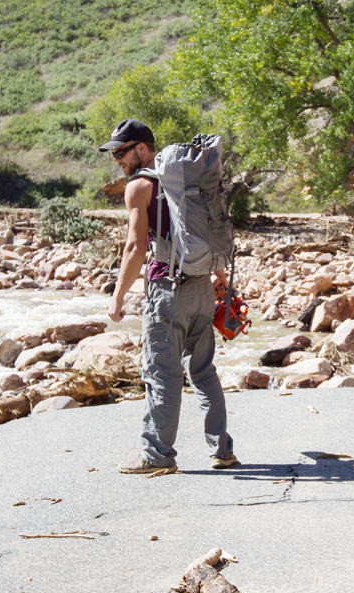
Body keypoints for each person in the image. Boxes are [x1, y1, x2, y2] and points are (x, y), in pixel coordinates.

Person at [100, 118, 237, 474]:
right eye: (114, 153)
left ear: (141, 148)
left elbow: (135, 246)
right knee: (204, 371)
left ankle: (157, 456)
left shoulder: (140, 187)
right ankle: (222, 450)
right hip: (202, 286)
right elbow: (209, 228)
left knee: (162, 372)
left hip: (167, 290)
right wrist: (218, 275)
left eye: (121, 151)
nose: (117, 159)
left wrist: (117, 297)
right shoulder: (188, 182)